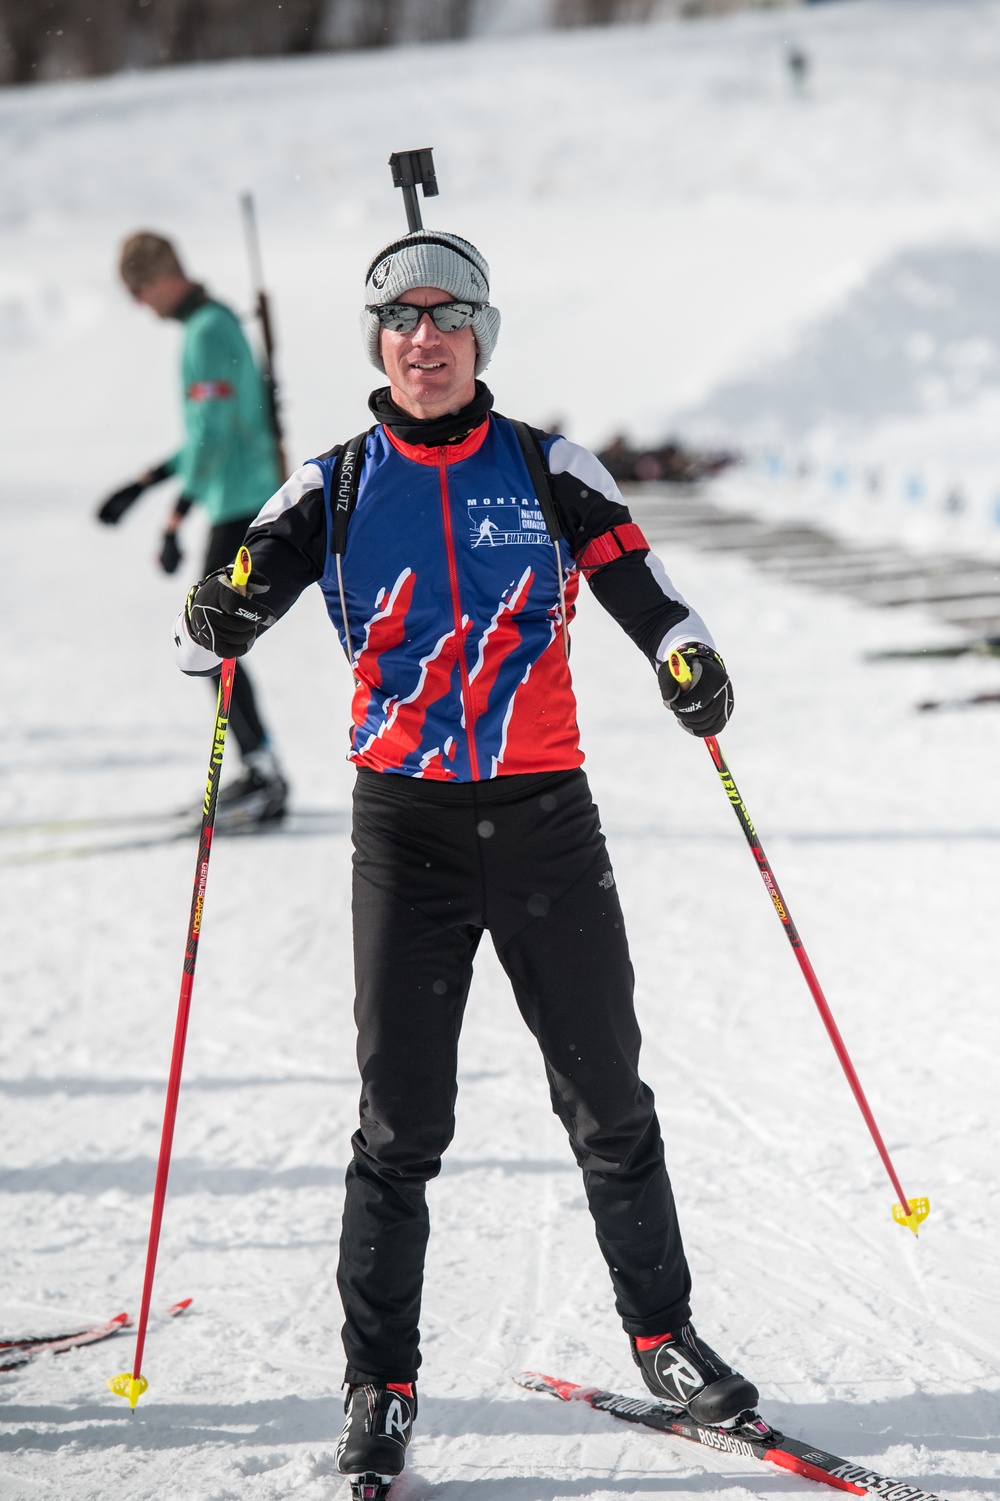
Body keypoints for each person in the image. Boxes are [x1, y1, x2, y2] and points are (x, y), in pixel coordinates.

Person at [173, 228, 756, 1493]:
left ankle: (663, 1339)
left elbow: (648, 590)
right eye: (400, 326)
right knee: (399, 1126)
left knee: (611, 1102)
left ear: (477, 339)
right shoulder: (330, 483)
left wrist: (683, 658)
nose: (422, 344)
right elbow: (229, 597)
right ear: (379, 346)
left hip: (547, 816)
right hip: (410, 832)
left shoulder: (547, 466)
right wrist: (217, 613)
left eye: (446, 325)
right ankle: (377, 1386)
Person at [97, 230, 289, 828]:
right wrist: (144, 481)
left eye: (138, 290)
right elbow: (208, 435)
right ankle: (260, 767)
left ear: (161, 277)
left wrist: (173, 514)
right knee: (214, 640)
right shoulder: (212, 324)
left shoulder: (206, 331)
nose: (139, 304)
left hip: (239, 502)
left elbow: (212, 435)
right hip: (239, 494)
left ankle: (264, 774)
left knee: (210, 638)